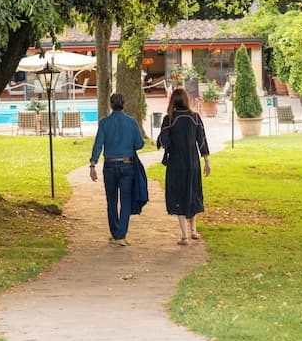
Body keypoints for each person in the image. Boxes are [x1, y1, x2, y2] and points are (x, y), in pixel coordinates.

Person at [157, 86, 211, 245]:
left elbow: (164, 141)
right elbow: (202, 140)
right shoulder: (195, 117)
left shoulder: (169, 119)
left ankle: (184, 236)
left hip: (176, 163)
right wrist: (207, 161)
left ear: (173, 101)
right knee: (193, 191)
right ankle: (193, 230)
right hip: (193, 161)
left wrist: (161, 140)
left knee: (178, 194)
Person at [89, 92, 145, 246]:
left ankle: (115, 233)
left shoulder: (104, 123)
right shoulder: (132, 122)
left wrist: (93, 164)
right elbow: (139, 144)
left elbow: (98, 145)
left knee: (111, 200)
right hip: (127, 165)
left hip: (109, 165)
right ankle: (121, 235)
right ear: (124, 104)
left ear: (111, 104)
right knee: (125, 200)